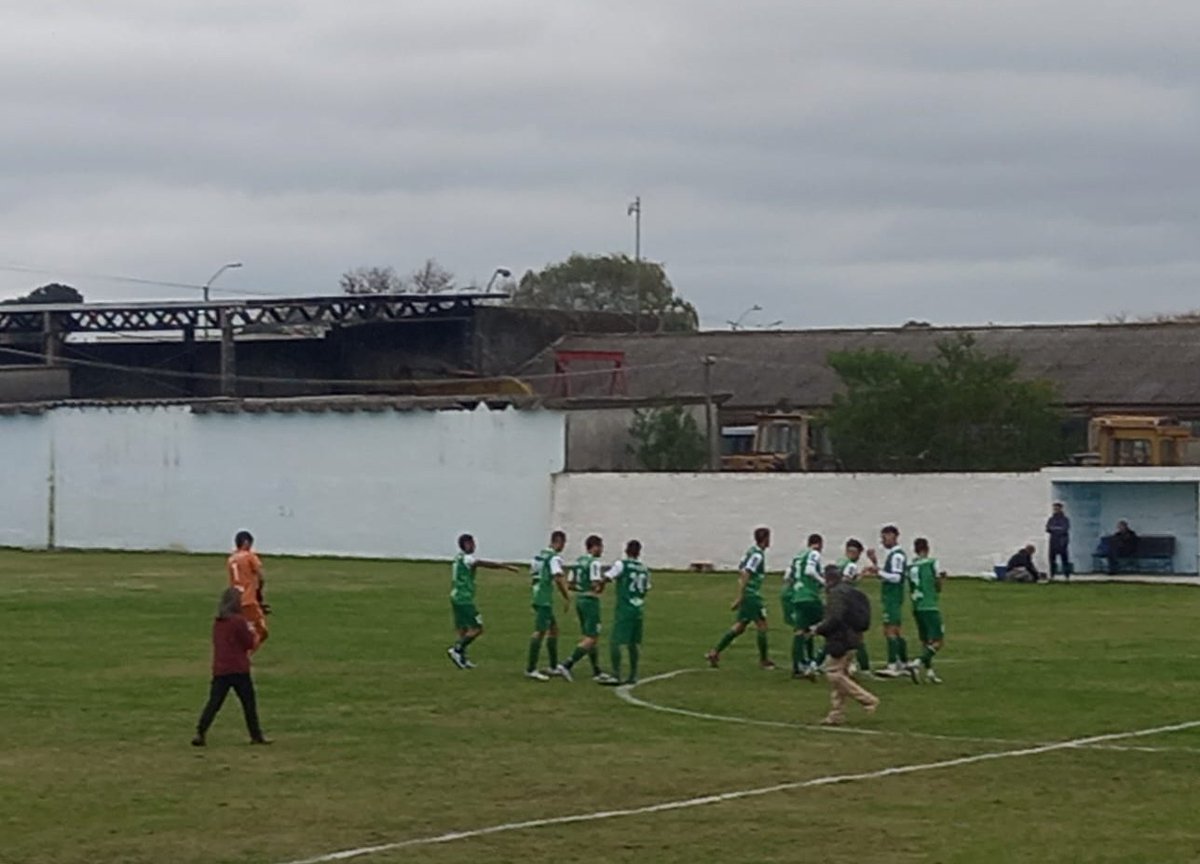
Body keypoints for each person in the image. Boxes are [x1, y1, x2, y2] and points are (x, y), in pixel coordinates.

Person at [192, 587, 269, 746]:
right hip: (239, 668)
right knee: (248, 703)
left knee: (214, 702)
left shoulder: (219, 622)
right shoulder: (238, 621)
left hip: (221, 668)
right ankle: (256, 735)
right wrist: (255, 630)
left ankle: (201, 731)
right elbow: (248, 643)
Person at [815, 564, 879, 726]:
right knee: (840, 677)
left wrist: (818, 629)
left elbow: (835, 618)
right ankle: (836, 714)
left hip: (841, 639)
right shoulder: (850, 591)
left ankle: (868, 700)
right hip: (854, 637)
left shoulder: (836, 594)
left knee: (833, 674)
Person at [706, 527, 775, 669]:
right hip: (752, 595)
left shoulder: (751, 551)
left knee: (740, 627)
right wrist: (741, 596)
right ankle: (764, 660)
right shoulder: (757, 555)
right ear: (766, 539)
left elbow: (741, 569)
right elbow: (746, 573)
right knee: (762, 625)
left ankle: (715, 652)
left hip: (749, 594)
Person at [447, 534, 518, 670]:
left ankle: (462, 659)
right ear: (466, 544)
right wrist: (504, 566)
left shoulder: (458, 558)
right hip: (464, 599)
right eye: (472, 543)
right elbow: (481, 563)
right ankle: (456, 649)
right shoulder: (468, 559)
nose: (474, 546)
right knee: (478, 628)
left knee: (464, 629)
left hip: (456, 596)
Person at [555, 535, 618, 684]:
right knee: (592, 637)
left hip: (580, 600)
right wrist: (602, 584)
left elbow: (570, 584)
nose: (602, 550)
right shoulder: (594, 563)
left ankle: (596, 671)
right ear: (594, 547)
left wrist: (581, 588)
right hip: (590, 601)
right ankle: (567, 664)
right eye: (601, 547)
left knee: (589, 636)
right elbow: (595, 584)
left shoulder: (578, 562)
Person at [604, 540, 652, 685]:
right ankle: (633, 674)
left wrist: (598, 585)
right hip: (638, 608)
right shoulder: (644, 569)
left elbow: (608, 577)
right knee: (633, 643)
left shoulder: (621, 565)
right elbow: (646, 588)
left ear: (626, 550)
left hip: (625, 608)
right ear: (639, 552)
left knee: (615, 641)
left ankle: (616, 674)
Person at [526, 530, 572, 681]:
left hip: (537, 593)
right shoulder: (553, 558)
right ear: (559, 542)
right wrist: (567, 596)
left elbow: (532, 573)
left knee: (554, 630)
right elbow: (558, 577)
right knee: (540, 632)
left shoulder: (539, 555)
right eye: (563, 543)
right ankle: (531, 669)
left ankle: (553, 667)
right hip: (544, 598)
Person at [867, 525, 908, 677]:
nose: (883, 540)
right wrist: (875, 563)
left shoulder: (897, 556)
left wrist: (878, 571)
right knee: (895, 630)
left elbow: (896, 577)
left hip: (893, 597)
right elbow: (885, 575)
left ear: (894, 536)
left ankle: (892, 665)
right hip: (890, 597)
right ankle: (902, 663)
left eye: (885, 537)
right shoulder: (892, 555)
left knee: (890, 630)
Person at [906, 538, 946, 684]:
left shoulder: (910, 566)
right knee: (938, 641)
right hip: (929, 606)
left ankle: (929, 672)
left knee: (926, 641)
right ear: (927, 548)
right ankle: (917, 662)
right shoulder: (932, 562)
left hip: (917, 606)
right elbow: (937, 585)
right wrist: (942, 580)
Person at [786, 534, 825, 680]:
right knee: (830, 625)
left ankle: (798, 667)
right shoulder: (813, 554)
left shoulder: (798, 556)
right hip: (810, 596)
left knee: (801, 631)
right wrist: (823, 582)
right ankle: (817, 663)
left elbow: (788, 576)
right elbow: (810, 571)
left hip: (797, 596)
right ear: (819, 544)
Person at [838, 539, 874, 676]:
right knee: (857, 635)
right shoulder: (851, 565)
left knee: (841, 634)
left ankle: (845, 665)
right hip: (847, 602)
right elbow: (847, 581)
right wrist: (860, 576)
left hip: (837, 600)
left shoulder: (840, 562)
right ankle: (862, 668)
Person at [228, 531, 268, 648]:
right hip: (248, 600)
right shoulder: (249, 556)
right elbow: (261, 577)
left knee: (244, 631)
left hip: (235, 600)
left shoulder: (231, 559)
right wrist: (259, 596)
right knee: (261, 632)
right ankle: (243, 658)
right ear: (246, 543)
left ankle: (237, 654)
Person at [1045, 503, 1071, 580]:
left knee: (1064, 559)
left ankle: (1067, 575)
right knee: (1052, 559)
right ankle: (1052, 575)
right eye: (1054, 509)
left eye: (1057, 508)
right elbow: (1048, 529)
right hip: (1053, 542)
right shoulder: (1051, 519)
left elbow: (1064, 529)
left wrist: (1054, 529)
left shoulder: (1065, 519)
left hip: (1062, 542)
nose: (1056, 510)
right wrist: (1056, 529)